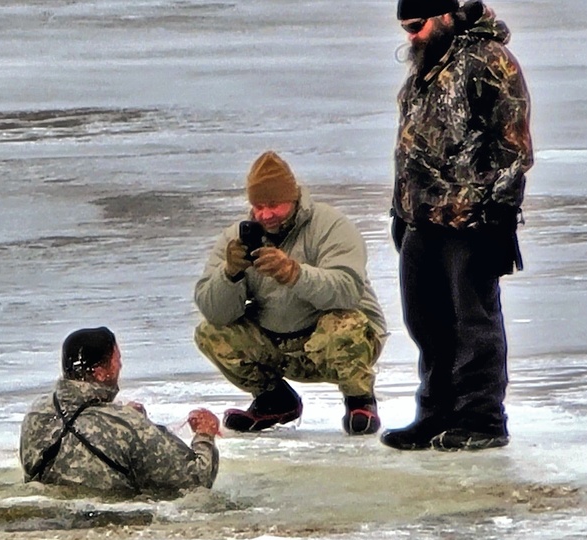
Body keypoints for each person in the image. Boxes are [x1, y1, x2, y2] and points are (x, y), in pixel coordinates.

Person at [382, 0, 533, 451]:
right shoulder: (427, 66)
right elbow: (411, 146)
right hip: (419, 217)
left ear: (444, 15)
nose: (411, 36)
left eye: (417, 25)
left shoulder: (491, 62)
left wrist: (499, 218)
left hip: (471, 220)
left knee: (473, 321)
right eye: (405, 28)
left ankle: (482, 418)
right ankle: (435, 413)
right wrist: (399, 210)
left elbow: (514, 149)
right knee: (425, 320)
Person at [194, 150, 388, 435]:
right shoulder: (236, 238)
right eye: (258, 207)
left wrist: (294, 274)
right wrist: (230, 274)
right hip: (279, 344)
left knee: (343, 326)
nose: (265, 215)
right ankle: (274, 399)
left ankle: (359, 399)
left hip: (339, 341)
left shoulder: (330, 225)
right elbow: (214, 311)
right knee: (210, 332)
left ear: (293, 199)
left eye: (273, 205)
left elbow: (348, 291)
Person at [20, 327, 220, 495]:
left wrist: (124, 420)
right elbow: (195, 482)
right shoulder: (126, 424)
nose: (121, 365)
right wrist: (205, 435)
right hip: (110, 523)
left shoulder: (36, 414)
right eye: (117, 360)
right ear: (99, 373)